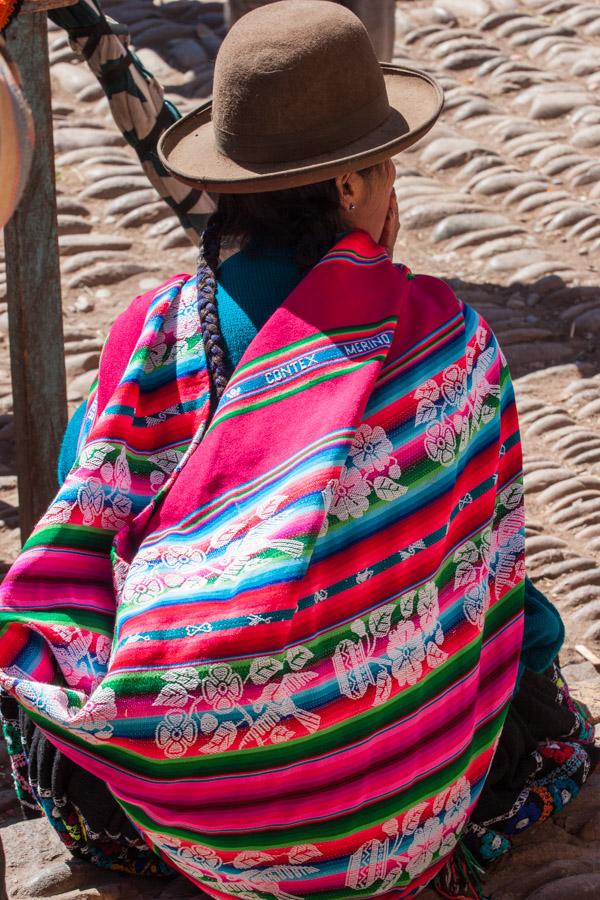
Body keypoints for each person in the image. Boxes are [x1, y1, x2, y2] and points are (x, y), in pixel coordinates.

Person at [0, 3, 596, 898]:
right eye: (386, 166)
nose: (394, 188)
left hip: (198, 830)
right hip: (406, 824)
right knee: (506, 621)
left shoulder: (153, 336)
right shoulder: (445, 337)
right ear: (351, 185)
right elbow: (491, 564)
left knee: (38, 702)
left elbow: (83, 534)